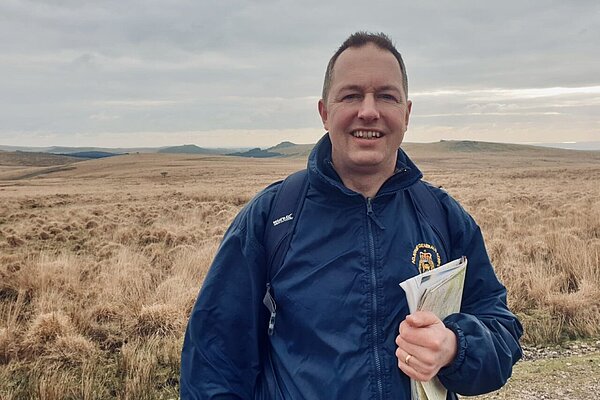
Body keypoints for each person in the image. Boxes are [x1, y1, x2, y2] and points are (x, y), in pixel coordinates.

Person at [180, 31, 522, 399]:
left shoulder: (443, 216)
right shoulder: (273, 217)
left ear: (406, 114)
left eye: (387, 96)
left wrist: (455, 347)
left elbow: (500, 331)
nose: (369, 110)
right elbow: (215, 361)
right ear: (325, 113)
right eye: (351, 95)